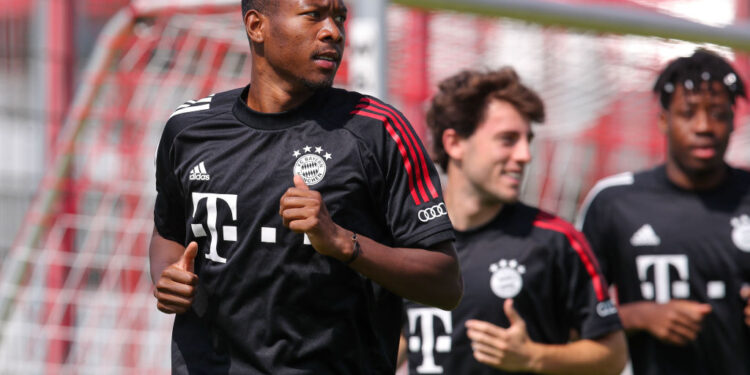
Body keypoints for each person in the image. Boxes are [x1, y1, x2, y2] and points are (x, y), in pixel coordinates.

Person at [148, 0, 463, 373]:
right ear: (256, 26)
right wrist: (168, 277)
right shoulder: (188, 130)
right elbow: (168, 231)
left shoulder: (379, 131)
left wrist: (343, 242)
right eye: (314, 15)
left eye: (340, 17)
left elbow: (446, 283)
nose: (333, 31)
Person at [402, 68, 627, 375]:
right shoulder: (404, 240)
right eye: (508, 140)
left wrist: (533, 357)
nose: (525, 155)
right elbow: (393, 341)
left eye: (527, 140)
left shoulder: (554, 241)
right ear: (455, 143)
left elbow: (613, 354)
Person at [576, 49, 750, 375]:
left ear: (733, 122)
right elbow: (569, 315)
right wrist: (639, 315)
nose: (704, 126)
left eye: (718, 114)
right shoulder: (615, 202)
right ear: (663, 120)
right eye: (688, 113)